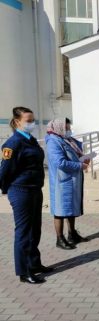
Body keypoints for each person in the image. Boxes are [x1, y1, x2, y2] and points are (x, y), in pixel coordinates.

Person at [0, 107, 53, 284]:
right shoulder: (12, 144)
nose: (33, 124)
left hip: (34, 189)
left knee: (35, 229)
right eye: (28, 121)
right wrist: (6, 189)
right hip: (21, 191)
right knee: (23, 232)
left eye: (33, 120)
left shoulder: (30, 140)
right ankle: (24, 272)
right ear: (17, 122)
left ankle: (34, 264)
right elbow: (4, 170)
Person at [45, 118, 89, 250]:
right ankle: (60, 238)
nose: (69, 130)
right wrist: (79, 165)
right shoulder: (53, 142)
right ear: (59, 128)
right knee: (60, 210)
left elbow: (76, 152)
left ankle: (72, 234)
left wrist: (83, 158)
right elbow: (60, 163)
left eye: (69, 128)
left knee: (71, 208)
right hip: (62, 182)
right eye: (67, 128)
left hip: (72, 179)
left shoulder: (65, 139)